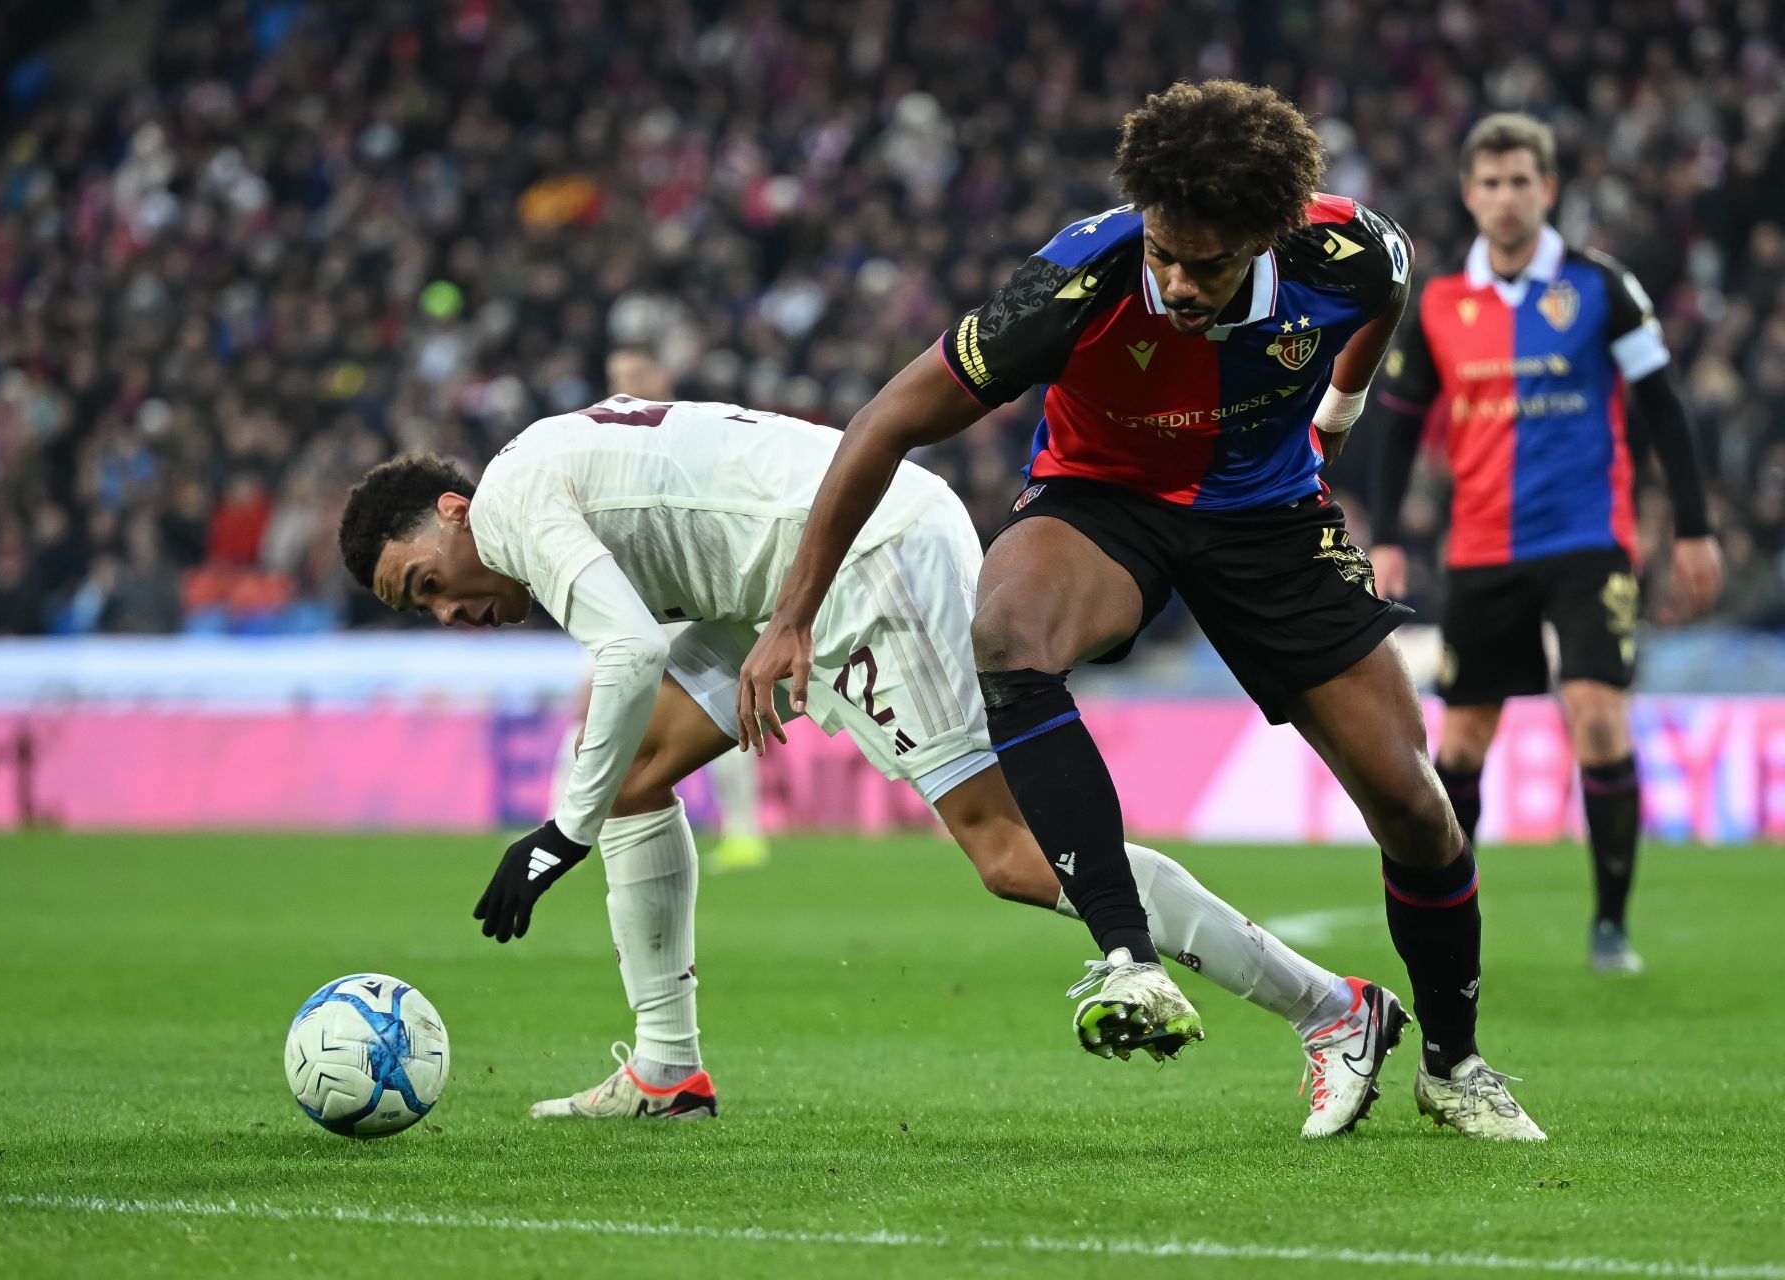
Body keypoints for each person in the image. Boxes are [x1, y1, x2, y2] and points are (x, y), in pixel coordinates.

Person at [736, 80, 1544, 1139]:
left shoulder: (1348, 255)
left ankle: (1452, 1061)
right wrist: (794, 612)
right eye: (1165, 250)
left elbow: (1386, 299)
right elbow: (886, 421)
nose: (1176, 280)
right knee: (1008, 630)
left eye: (1206, 263)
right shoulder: (1077, 281)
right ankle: (1128, 953)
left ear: (1268, 234)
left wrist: (1338, 412)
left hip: (1271, 517)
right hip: (1103, 501)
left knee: (1414, 805)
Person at [337, 396, 1409, 1138]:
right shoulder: (542, 461)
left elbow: (622, 651)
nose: (446, 611)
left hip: (862, 561)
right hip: (792, 567)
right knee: (631, 776)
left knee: (1011, 850)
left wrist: (554, 839)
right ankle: (666, 1068)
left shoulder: (513, 506)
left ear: (449, 511)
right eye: (418, 610)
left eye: (422, 583)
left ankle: (1332, 1008)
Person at [1365, 114, 1723, 975]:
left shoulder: (1602, 287)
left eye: (1521, 181)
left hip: (1589, 542)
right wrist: (1384, 539)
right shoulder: (1442, 303)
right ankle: (1454, 920)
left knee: (1597, 716)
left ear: (1548, 189)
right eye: (1489, 183)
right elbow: (1399, 427)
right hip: (1482, 550)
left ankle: (1609, 926)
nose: (1505, 198)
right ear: (1468, 194)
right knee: (1461, 745)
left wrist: (1697, 529)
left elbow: (1665, 410)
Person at [547, 347, 772, 873]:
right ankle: (561, 820)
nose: (621, 387)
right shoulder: (606, 441)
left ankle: (744, 832)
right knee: (591, 712)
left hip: (694, 598)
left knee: (728, 712)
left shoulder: (694, 432)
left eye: (631, 376)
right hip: (634, 603)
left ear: (661, 376)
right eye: (613, 377)